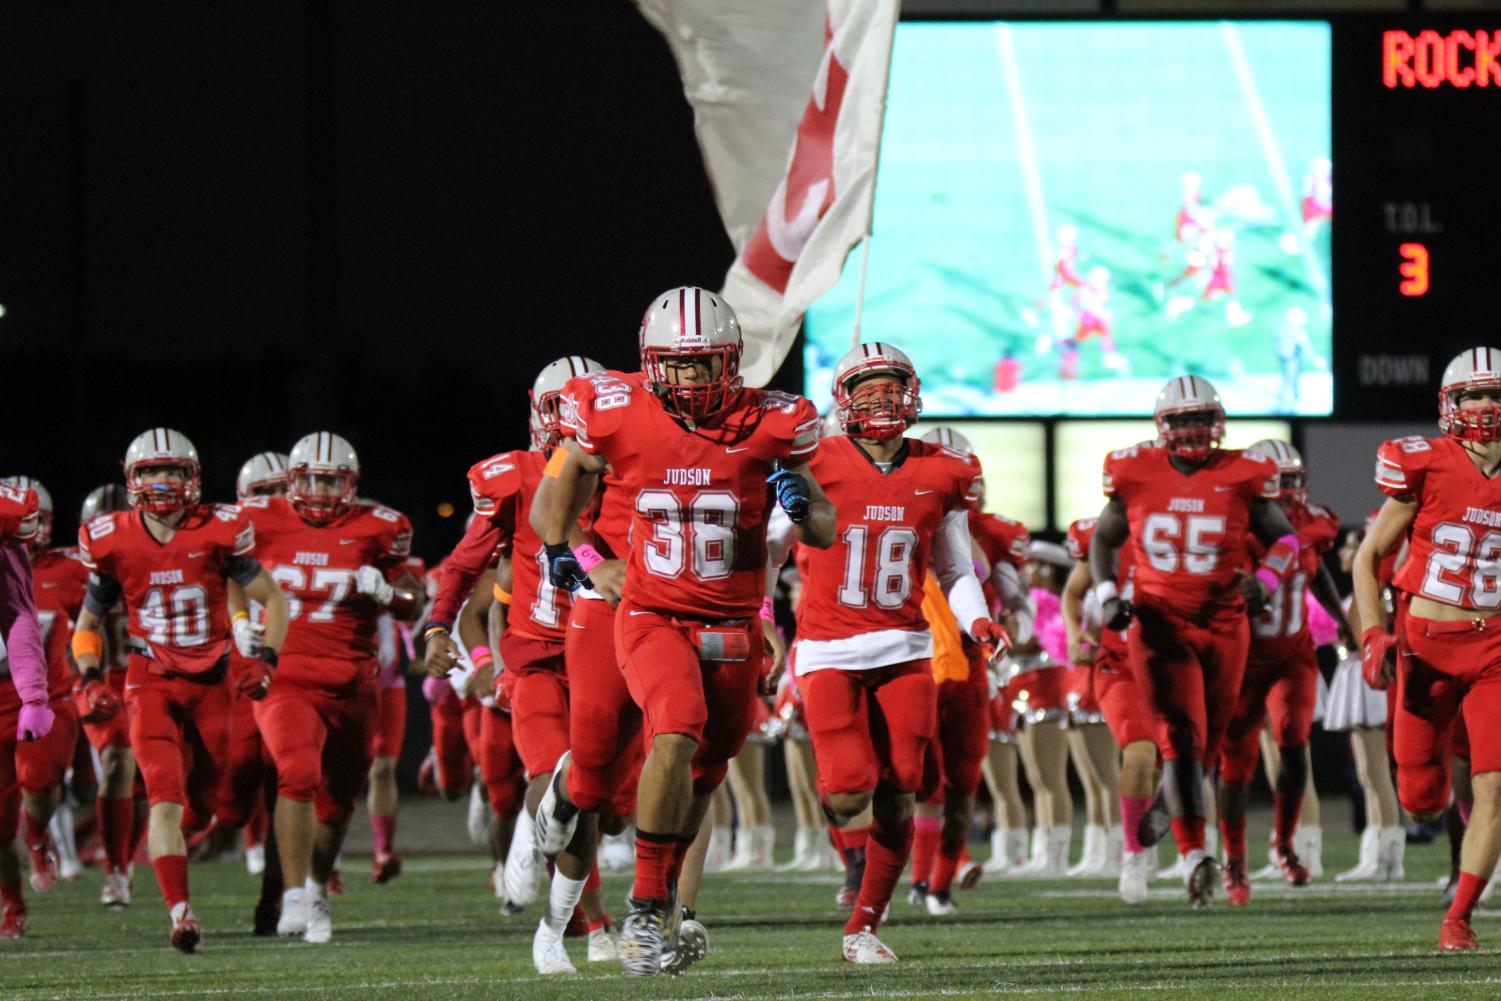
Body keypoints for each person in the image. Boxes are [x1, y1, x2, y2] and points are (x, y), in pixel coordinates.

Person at [540, 287, 833, 975]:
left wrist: (801, 501)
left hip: (732, 617)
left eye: (702, 365)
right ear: (650, 362)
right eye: (674, 365)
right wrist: (573, 552)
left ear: (731, 363)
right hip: (652, 611)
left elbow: (824, 522)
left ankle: (662, 896)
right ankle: (645, 910)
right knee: (674, 725)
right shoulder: (613, 410)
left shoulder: (775, 421)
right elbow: (567, 476)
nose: (688, 379)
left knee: (707, 769)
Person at [770, 344, 1008, 960]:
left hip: (904, 647)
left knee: (905, 784)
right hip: (828, 647)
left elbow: (956, 569)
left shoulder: (942, 469)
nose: (881, 399)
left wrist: (978, 622)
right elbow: (766, 556)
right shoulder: (812, 461)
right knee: (851, 787)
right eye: (868, 388)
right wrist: (761, 623)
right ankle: (844, 840)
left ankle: (864, 927)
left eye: (891, 386)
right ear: (845, 400)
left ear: (913, 393)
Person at [73, 428, 289, 952]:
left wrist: (266, 659)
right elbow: (89, 622)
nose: (161, 480)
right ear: (131, 478)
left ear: (192, 478)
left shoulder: (218, 529)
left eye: (171, 470)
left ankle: (160, 854)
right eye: (149, 471)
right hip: (149, 682)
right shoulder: (110, 537)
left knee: (211, 806)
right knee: (164, 800)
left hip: (213, 682)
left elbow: (275, 600)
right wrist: (87, 676)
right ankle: (181, 914)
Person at [1089, 377, 1295, 907]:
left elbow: (1286, 539)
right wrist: (1109, 593)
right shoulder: (1135, 471)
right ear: (1163, 427)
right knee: (1180, 738)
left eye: (1200, 418)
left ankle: (1173, 805)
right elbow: (1104, 538)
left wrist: (1266, 581)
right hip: (1160, 625)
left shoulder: (1243, 473)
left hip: (1227, 625)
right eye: (1180, 420)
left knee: (1208, 746)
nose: (1192, 429)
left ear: (1218, 421)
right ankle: (1192, 855)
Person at [241, 432, 422, 944]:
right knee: (295, 773)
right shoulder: (260, 520)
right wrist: (239, 620)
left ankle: (318, 886)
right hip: (287, 675)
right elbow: (220, 567)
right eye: (312, 479)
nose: (320, 490)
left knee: (338, 802)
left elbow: (414, 601)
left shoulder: (381, 527)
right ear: (293, 482)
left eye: (331, 480)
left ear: (351, 483)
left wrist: (389, 592)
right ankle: (294, 896)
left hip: (352, 682)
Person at [1355, 347, 1501, 950]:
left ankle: (1459, 917)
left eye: (1496, 395)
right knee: (1419, 799)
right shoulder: (1424, 464)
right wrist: (1372, 634)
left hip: (1494, 649)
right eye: (1473, 395)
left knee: (1494, 787)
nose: (1487, 405)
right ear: (1451, 403)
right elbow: (1368, 557)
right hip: (1425, 648)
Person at [1215, 440, 1349, 905]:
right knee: (1236, 767)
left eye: (1292, 481)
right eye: (1278, 482)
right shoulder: (1233, 523)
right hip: (1242, 660)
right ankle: (1233, 860)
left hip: (1292, 656)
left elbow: (1318, 574)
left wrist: (1344, 621)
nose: (1287, 492)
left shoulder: (1314, 525)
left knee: (1295, 745)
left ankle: (1285, 845)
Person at [0, 478, 84, 938]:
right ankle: (13, 904)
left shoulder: (60, 568)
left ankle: (37, 836)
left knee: (38, 780)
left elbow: (21, 622)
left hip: (41, 696)